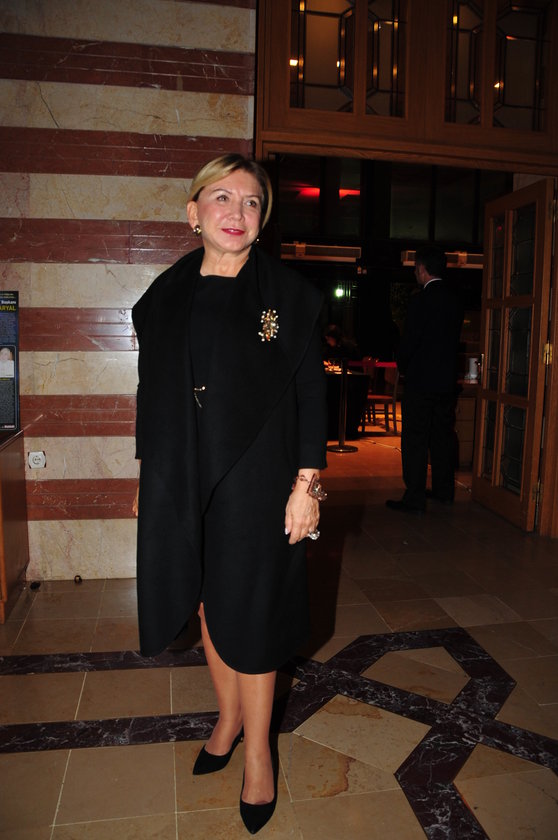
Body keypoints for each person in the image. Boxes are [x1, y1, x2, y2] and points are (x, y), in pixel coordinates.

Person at [132, 154, 328, 834]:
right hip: (186, 471)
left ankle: (259, 754)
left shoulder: (288, 298)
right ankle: (228, 718)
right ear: (193, 212)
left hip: (260, 477)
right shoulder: (163, 296)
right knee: (209, 600)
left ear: (262, 218)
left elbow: (311, 395)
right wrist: (150, 478)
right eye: (221, 197)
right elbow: (151, 396)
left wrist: (308, 487)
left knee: (253, 609)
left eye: (250, 201)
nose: (236, 212)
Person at [386, 246, 463, 514]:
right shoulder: (455, 301)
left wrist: (402, 365)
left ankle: (415, 497)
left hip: (421, 382)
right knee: (442, 436)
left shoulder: (420, 301)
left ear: (422, 269)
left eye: (416, 268)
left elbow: (410, 341)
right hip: (446, 382)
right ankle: (444, 490)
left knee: (415, 439)